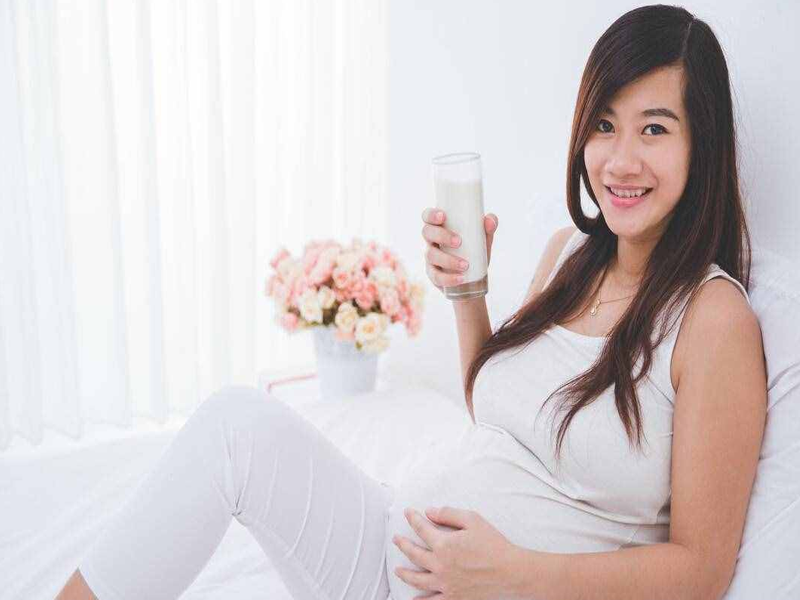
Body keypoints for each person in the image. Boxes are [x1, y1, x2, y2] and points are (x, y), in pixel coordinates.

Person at [57, 4, 767, 600]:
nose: (620, 160)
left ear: (701, 145)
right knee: (233, 425)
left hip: (493, 588)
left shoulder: (713, 321)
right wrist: (467, 295)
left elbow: (701, 570)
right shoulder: (570, 256)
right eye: (604, 125)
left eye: (654, 128)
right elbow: (496, 411)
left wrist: (515, 575)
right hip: (390, 547)